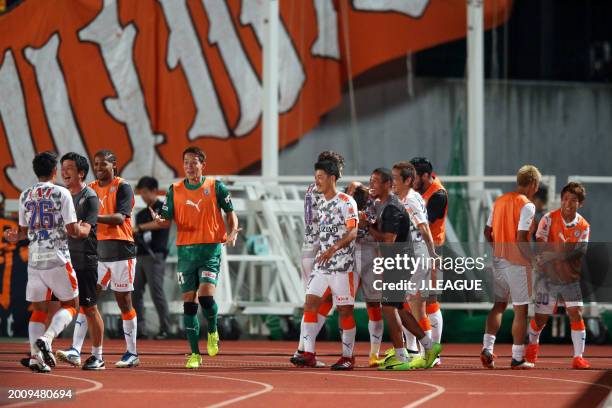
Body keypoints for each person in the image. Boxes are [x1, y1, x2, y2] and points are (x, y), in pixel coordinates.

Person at [152, 146, 240, 369]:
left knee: (206, 298)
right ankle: (194, 354)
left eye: (194, 162)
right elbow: (164, 219)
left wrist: (231, 232)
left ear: (203, 165)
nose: (189, 167)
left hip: (210, 250)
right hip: (186, 252)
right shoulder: (174, 190)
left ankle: (212, 330)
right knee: (189, 303)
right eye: (186, 163)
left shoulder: (215, 187)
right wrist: (158, 219)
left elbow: (231, 213)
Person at [3, 151, 87, 373]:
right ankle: (48, 338)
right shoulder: (62, 193)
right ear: (54, 171)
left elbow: (22, 232)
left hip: (35, 258)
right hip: (57, 256)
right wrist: (84, 228)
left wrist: (14, 236)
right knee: (71, 305)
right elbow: (73, 230)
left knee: (38, 310)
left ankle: (35, 358)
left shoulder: (25, 195)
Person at [367, 167, 441, 371]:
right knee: (398, 306)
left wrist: (368, 228)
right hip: (401, 260)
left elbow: (389, 241)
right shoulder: (384, 204)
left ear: (387, 184)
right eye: (370, 180)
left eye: (375, 181)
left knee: (392, 307)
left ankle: (406, 354)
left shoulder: (393, 207)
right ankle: (425, 346)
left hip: (402, 260)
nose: (371, 184)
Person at [292, 160, 359, 370]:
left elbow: (354, 231)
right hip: (322, 266)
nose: (316, 181)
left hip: (342, 267)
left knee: (344, 311)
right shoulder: (320, 202)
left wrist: (334, 248)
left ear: (332, 178)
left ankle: (348, 357)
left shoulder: (346, 202)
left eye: (320, 177)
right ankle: (308, 353)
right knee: (310, 304)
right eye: (315, 177)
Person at [481, 165, 541, 369]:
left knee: (498, 305)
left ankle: (487, 347)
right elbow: (522, 237)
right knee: (520, 310)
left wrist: (498, 249)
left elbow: (487, 232)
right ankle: (517, 356)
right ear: (533, 183)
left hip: (498, 259)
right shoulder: (527, 205)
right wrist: (532, 259)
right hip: (517, 263)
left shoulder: (500, 201)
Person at [526, 182, 591, 369]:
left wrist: (555, 254)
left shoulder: (584, 226)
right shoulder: (548, 219)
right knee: (540, 319)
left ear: (580, 203)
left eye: (573, 200)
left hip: (570, 278)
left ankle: (578, 357)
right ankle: (532, 345)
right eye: (565, 199)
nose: (568, 204)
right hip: (548, 278)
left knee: (576, 313)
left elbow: (579, 252)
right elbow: (540, 243)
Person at [55, 153, 105, 370]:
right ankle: (57, 349)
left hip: (85, 259)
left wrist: (73, 229)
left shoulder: (90, 197)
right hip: (64, 259)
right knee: (63, 306)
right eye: (62, 168)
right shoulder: (62, 196)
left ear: (81, 173)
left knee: (90, 308)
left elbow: (85, 231)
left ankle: (98, 356)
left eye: (69, 168)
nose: (64, 172)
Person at [90, 150, 139, 368]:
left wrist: (92, 217)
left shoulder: (123, 187)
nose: (99, 168)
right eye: (96, 164)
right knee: (88, 300)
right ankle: (82, 351)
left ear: (114, 166)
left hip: (121, 250)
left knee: (124, 302)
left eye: (103, 165)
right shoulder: (89, 189)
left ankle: (132, 352)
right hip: (98, 251)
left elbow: (120, 218)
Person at [409, 157, 447, 363]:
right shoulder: (415, 191)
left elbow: (423, 222)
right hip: (412, 250)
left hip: (432, 249)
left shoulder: (438, 194)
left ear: (426, 176)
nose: (411, 180)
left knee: (430, 300)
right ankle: (413, 349)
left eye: (414, 176)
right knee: (409, 299)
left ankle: (434, 352)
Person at [347, 182, 385, 367]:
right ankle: (347, 353)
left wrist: (368, 224)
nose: (350, 194)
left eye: (354, 192)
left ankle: (374, 353)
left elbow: (382, 234)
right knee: (345, 304)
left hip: (370, 253)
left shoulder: (375, 206)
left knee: (374, 304)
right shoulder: (341, 205)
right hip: (350, 254)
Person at [133, 176, 171, 340]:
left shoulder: (164, 207)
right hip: (140, 255)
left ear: (154, 191)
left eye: (146, 192)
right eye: (141, 192)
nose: (143, 196)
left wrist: (140, 228)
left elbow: (163, 223)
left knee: (157, 293)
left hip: (155, 255)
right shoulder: (141, 213)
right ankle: (139, 329)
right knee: (135, 293)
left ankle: (165, 328)